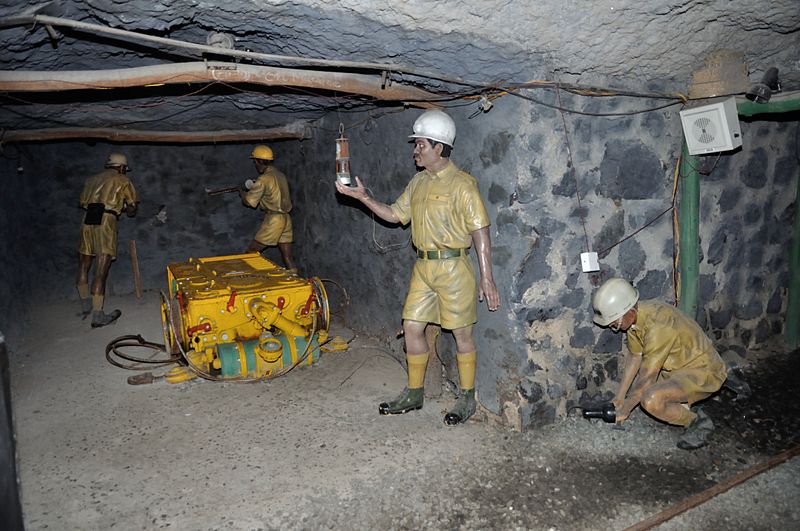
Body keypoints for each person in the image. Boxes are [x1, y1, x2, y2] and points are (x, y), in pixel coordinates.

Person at [335, 109, 500, 425]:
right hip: (424, 268)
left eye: (421, 145)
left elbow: (481, 232)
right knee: (411, 325)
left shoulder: (463, 185)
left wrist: (487, 278)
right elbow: (395, 215)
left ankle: (466, 398)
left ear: (439, 147)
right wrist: (363, 198)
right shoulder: (417, 183)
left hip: (454, 268)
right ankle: (415, 392)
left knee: (462, 333)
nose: (415, 151)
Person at [591, 277, 751, 450]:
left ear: (629, 310)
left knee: (651, 399)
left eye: (614, 322)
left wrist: (625, 410)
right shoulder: (637, 319)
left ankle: (698, 421)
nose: (612, 326)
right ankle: (725, 374)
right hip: (678, 368)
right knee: (649, 392)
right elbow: (635, 356)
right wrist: (620, 397)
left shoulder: (658, 327)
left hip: (701, 370)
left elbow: (646, 380)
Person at [76, 152, 138, 328]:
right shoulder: (122, 180)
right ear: (122, 167)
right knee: (101, 269)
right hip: (106, 221)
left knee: (83, 263)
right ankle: (98, 315)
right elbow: (132, 208)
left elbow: (81, 202)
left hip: (88, 219)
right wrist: (125, 208)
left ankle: (85, 305)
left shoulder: (91, 180)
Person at [241, 145, 297, 272]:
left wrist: (242, 193)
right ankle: (296, 280)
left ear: (259, 161)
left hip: (274, 219)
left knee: (251, 252)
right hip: (286, 218)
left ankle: (252, 280)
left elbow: (249, 202)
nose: (255, 165)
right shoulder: (280, 175)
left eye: (255, 161)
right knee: (287, 256)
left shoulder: (263, 179)